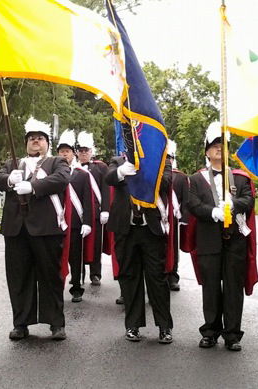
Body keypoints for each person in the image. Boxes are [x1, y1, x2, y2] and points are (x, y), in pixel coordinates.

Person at [0, 117, 70, 340]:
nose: (35, 142)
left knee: (50, 277)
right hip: (16, 229)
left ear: (47, 142)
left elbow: (62, 179)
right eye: (31, 139)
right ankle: (21, 323)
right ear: (26, 143)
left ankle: (56, 323)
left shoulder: (56, 162)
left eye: (40, 138)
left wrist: (33, 186)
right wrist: (9, 179)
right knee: (18, 278)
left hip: (46, 228)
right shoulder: (13, 163)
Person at [185, 121, 257, 351]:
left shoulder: (241, 177)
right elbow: (193, 204)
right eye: (214, 145)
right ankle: (210, 331)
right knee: (211, 288)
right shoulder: (196, 179)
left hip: (235, 241)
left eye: (222, 145)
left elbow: (249, 200)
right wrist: (213, 212)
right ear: (207, 151)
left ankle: (233, 334)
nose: (218, 148)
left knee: (234, 289)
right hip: (209, 241)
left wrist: (233, 204)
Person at [106, 153, 174, 344]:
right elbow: (108, 178)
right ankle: (133, 325)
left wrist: (143, 171)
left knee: (157, 278)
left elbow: (166, 182)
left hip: (151, 228)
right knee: (129, 277)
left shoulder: (161, 159)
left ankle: (164, 326)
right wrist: (122, 171)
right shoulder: (118, 160)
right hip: (125, 229)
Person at [57, 130, 92, 303]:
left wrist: (87, 222)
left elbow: (87, 200)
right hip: (57, 223)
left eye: (67, 151)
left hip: (76, 223)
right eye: (61, 151)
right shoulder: (51, 173)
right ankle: (57, 286)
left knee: (75, 258)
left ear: (73, 154)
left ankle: (76, 287)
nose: (64, 154)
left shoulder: (83, 174)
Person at [77, 131, 110, 286]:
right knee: (78, 246)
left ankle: (95, 274)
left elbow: (106, 189)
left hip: (96, 212)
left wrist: (105, 209)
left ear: (91, 152)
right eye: (81, 151)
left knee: (95, 245)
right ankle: (79, 273)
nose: (83, 153)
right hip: (78, 212)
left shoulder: (101, 167)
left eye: (86, 150)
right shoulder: (73, 168)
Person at [166, 139, 189, 291]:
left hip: (174, 218)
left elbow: (186, 200)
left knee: (173, 248)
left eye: (170, 157)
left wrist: (184, 219)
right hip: (159, 216)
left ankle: (173, 276)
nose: (167, 160)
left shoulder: (181, 177)